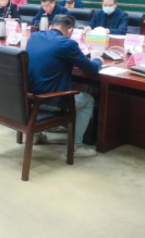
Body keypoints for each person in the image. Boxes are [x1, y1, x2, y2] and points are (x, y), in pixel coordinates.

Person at [26, 15, 103, 157]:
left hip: (29, 97)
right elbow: (91, 68)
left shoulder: (34, 37)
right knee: (88, 100)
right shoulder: (67, 43)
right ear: (71, 30)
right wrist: (98, 59)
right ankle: (76, 146)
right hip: (50, 101)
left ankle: (37, 134)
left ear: (50, 26)